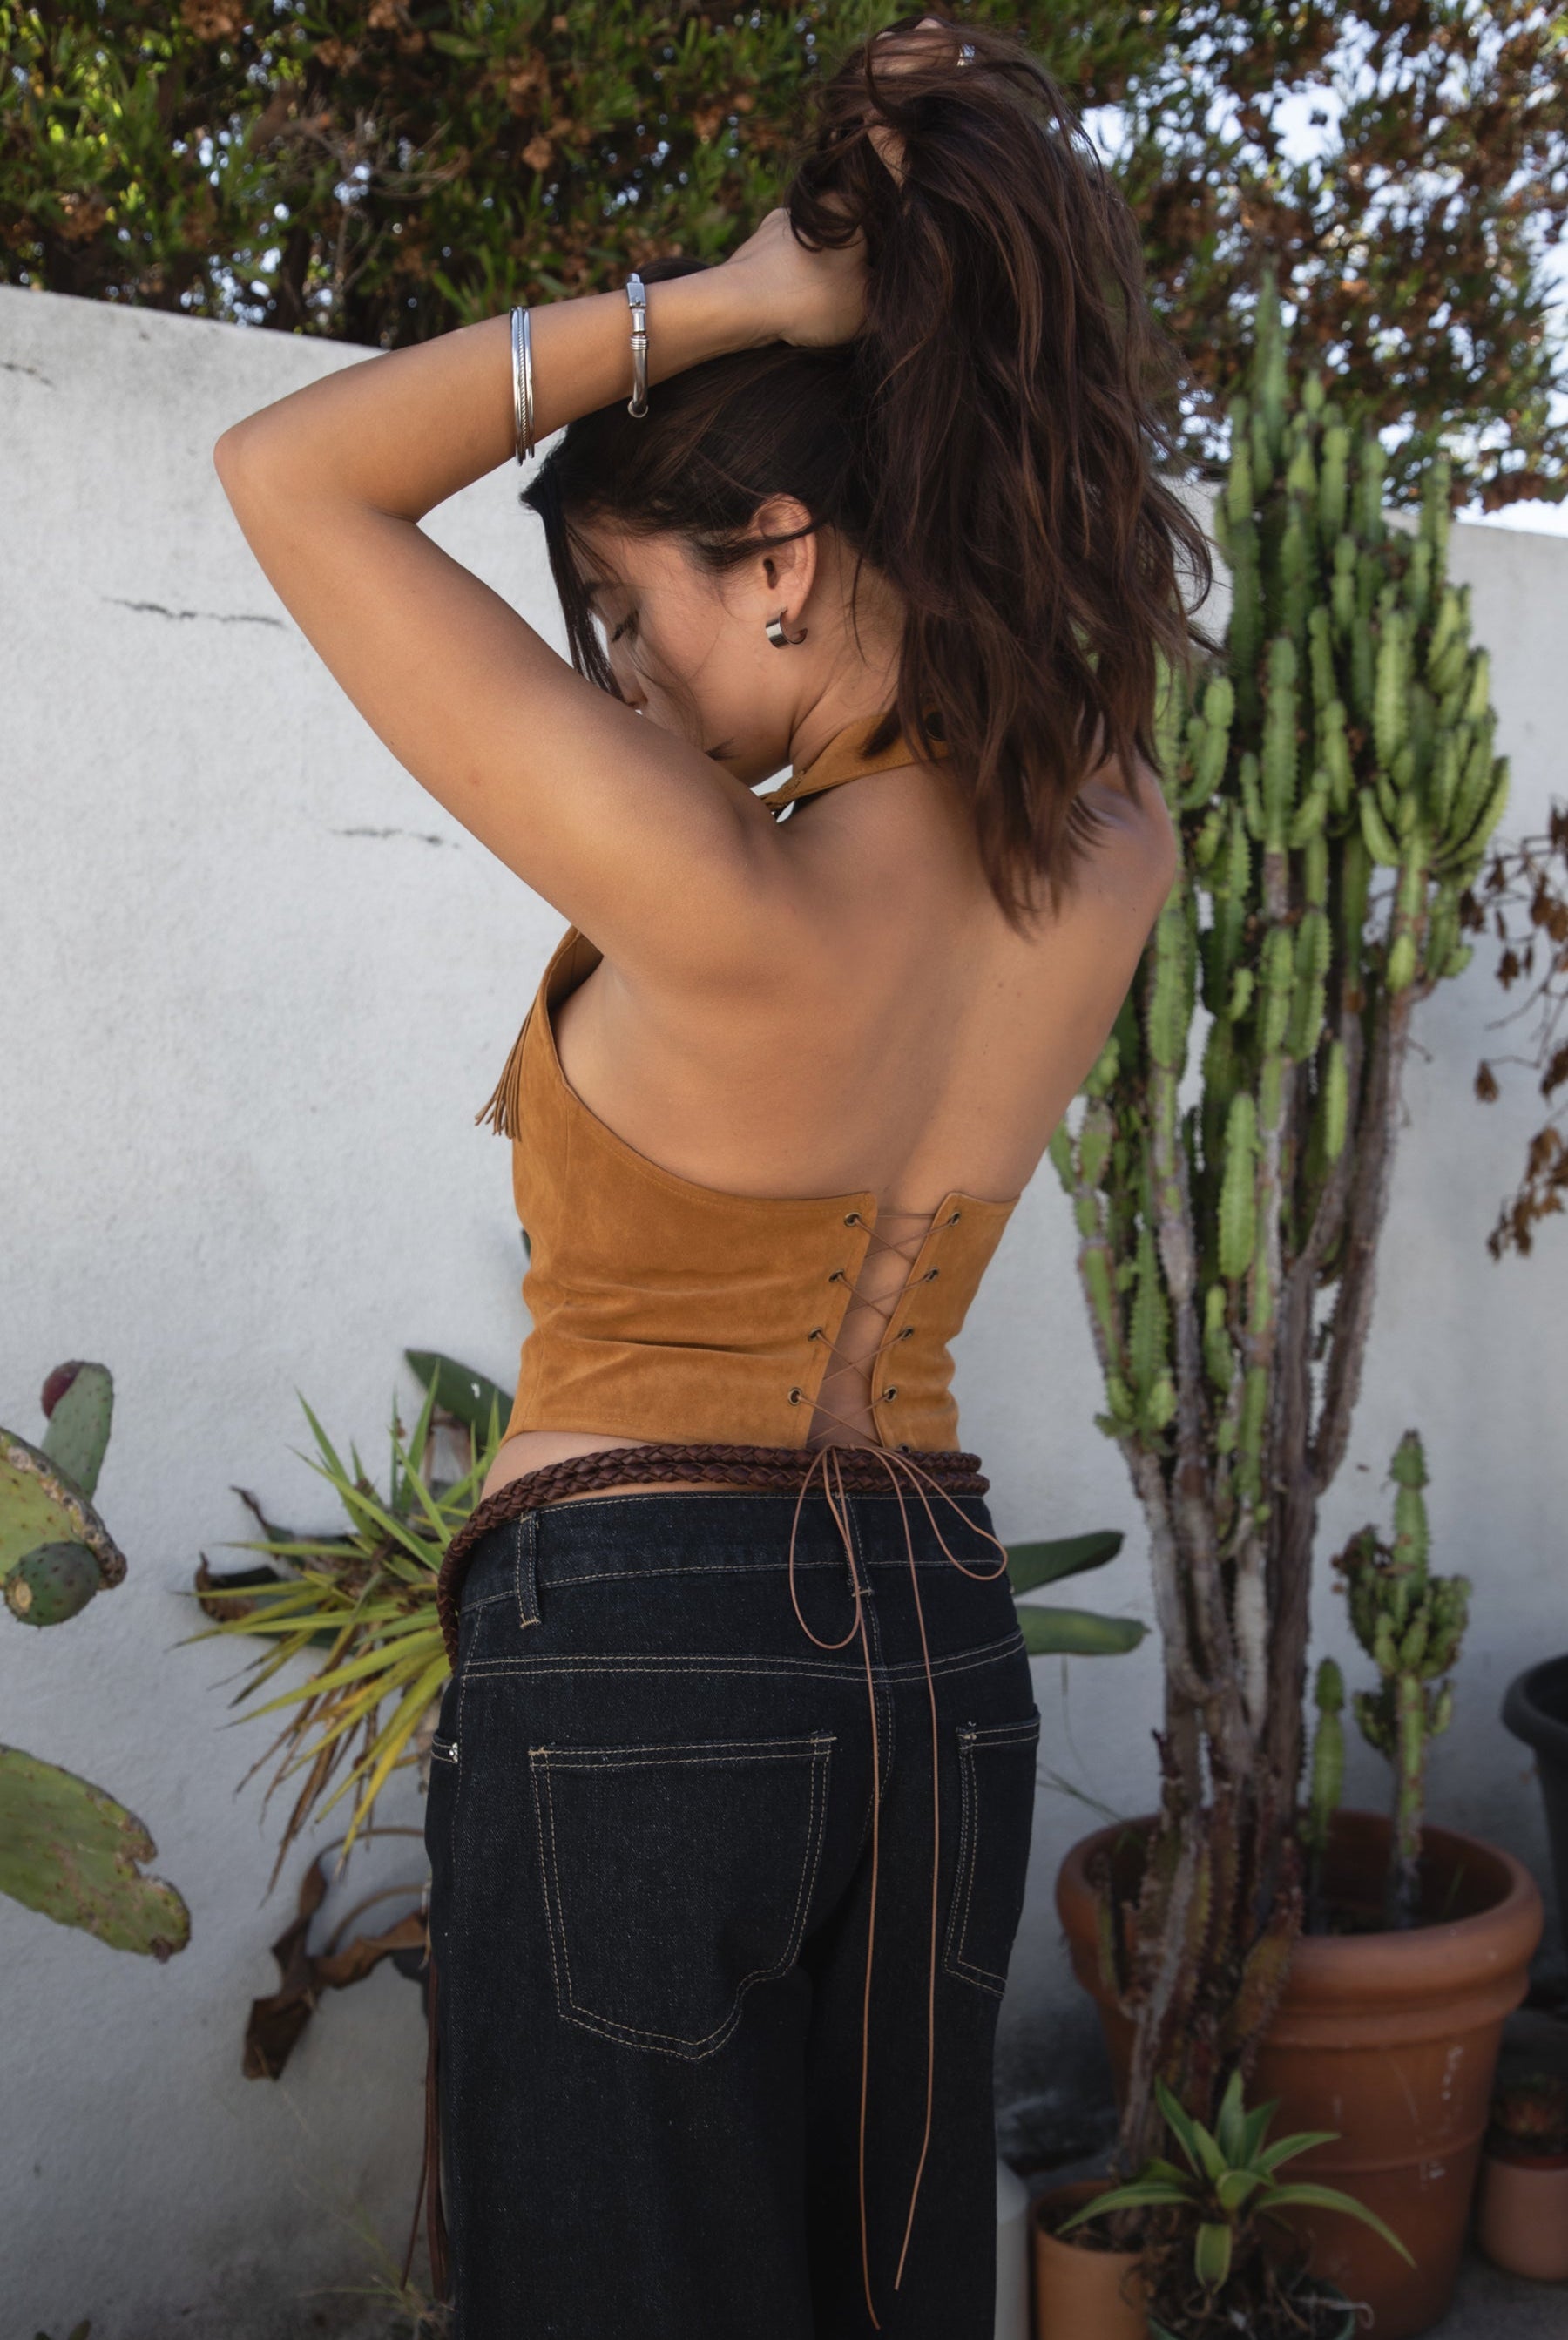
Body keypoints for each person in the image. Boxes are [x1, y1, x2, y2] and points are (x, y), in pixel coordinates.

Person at [214, 14, 1207, 2336]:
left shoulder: (709, 882)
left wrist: (746, 298)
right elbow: (1027, 525)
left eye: (622, 614)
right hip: (940, 1664)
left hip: (641, 1661)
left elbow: (289, 476)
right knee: (873, 2297)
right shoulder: (1110, 838)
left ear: (777, 557)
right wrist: (911, 221)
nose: (621, 688)